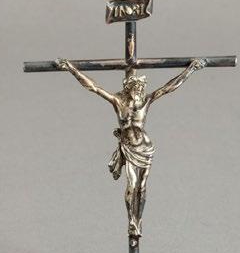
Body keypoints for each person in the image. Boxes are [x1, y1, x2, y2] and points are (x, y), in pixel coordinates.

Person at [56, 58, 207, 236]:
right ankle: (131, 221)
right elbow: (94, 87)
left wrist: (190, 70)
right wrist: (71, 69)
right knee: (132, 184)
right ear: (129, 88)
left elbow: (168, 87)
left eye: (141, 88)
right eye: (136, 88)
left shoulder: (146, 101)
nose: (139, 91)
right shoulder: (118, 102)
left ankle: (139, 219)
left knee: (141, 186)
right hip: (129, 148)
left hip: (145, 148)